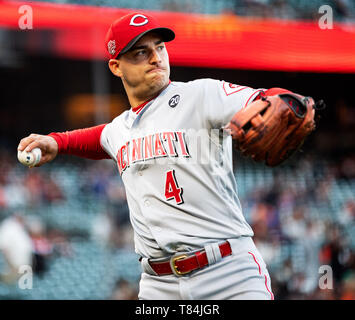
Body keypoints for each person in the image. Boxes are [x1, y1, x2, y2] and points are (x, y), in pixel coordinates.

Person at [18, 12, 300, 300]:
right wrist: (57, 142)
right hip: (158, 284)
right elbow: (100, 138)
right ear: (116, 66)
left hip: (228, 273)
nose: (156, 58)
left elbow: (267, 99)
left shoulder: (201, 95)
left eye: (160, 47)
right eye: (141, 52)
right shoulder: (121, 129)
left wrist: (290, 102)